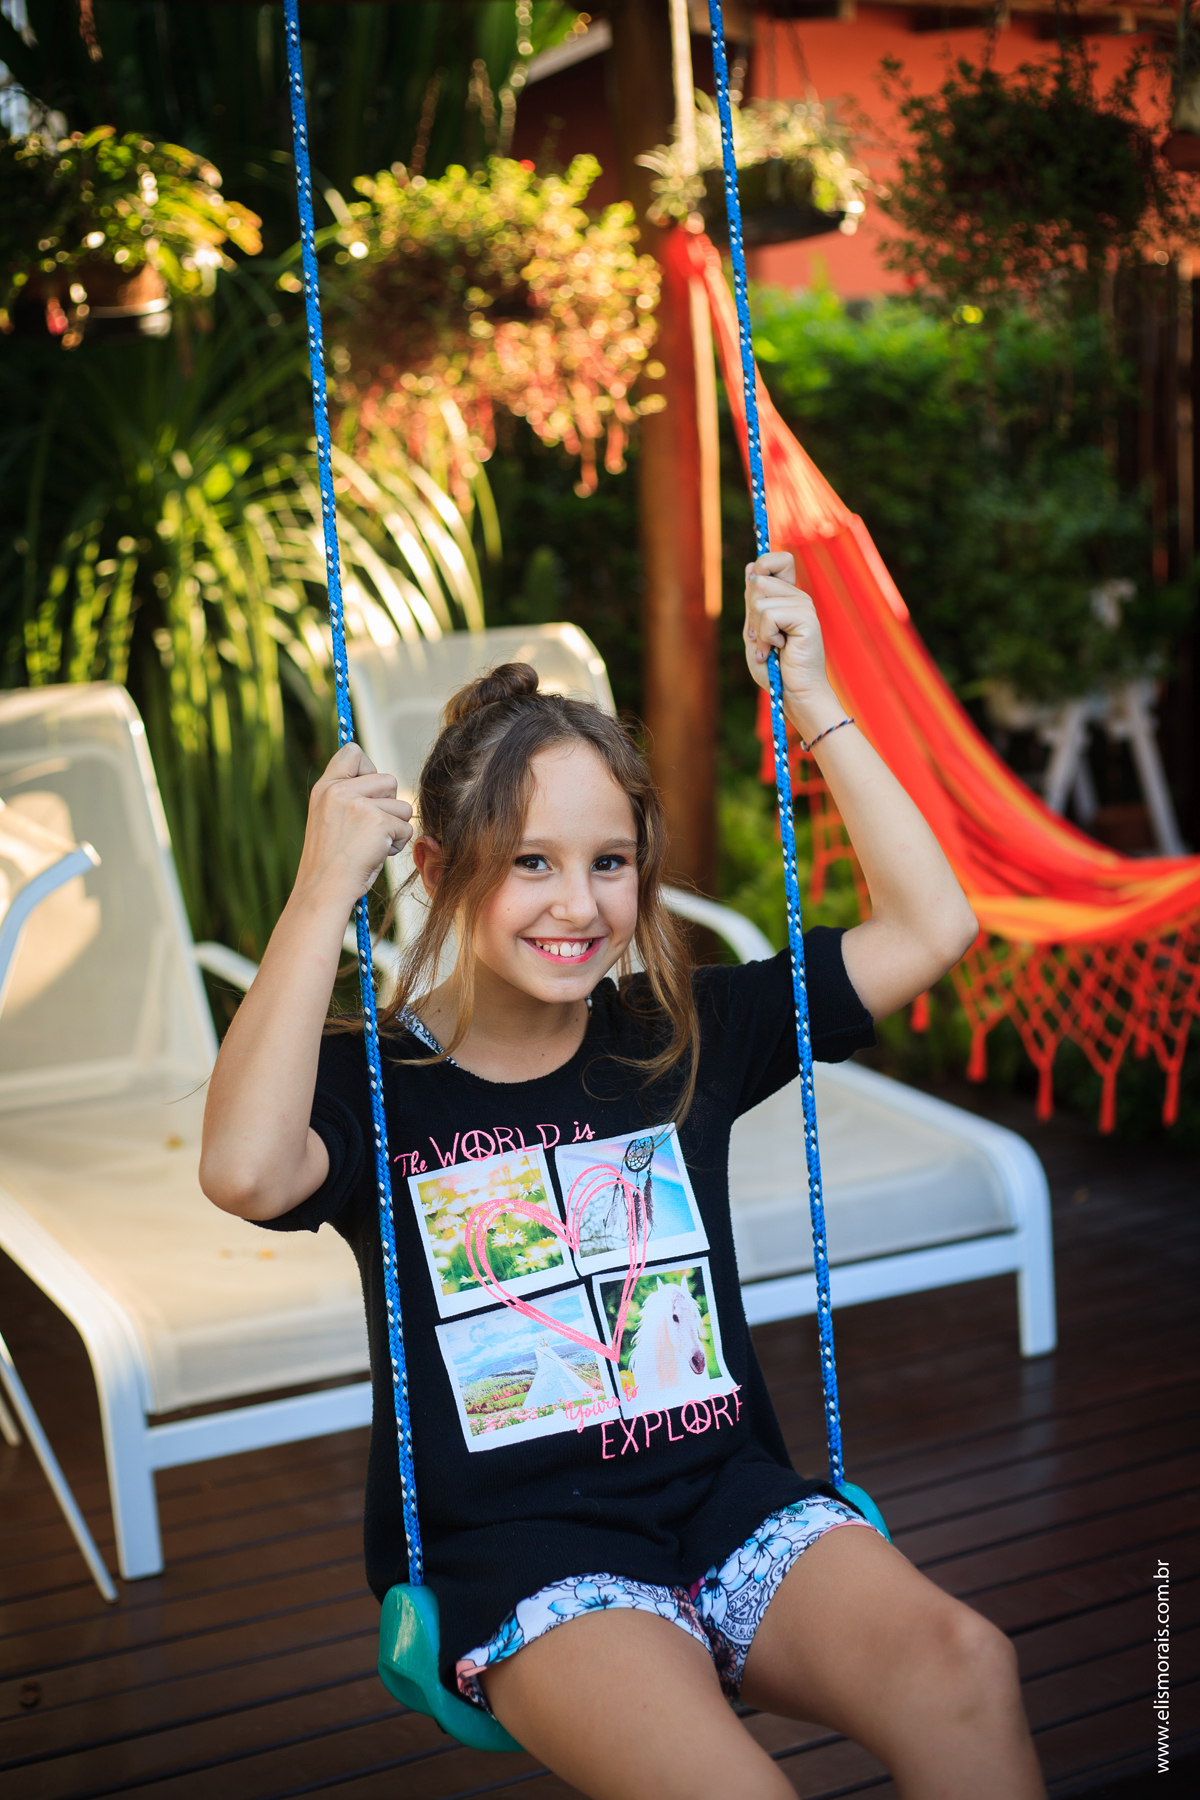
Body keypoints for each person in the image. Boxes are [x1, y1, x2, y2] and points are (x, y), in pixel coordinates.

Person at [201, 554, 1045, 1800]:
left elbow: (934, 929)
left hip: (730, 1502)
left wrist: (812, 700)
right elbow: (243, 1170)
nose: (577, 904)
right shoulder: (383, 1087)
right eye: (529, 861)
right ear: (436, 872)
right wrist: (326, 880)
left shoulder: (680, 1030)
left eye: (611, 861)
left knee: (968, 1664)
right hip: (527, 1558)